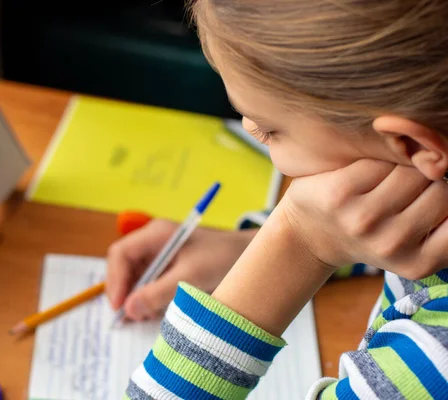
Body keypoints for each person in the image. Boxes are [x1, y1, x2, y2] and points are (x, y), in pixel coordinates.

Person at [106, 0, 448, 398]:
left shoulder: (433, 365)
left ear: (407, 144)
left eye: (270, 130)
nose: (250, 128)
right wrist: (248, 246)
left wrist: (296, 245)